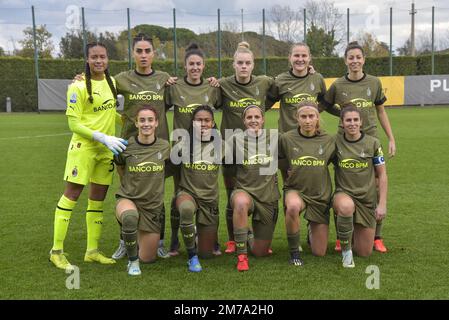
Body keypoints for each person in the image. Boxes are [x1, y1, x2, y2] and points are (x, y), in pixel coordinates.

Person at [49, 42, 127, 270]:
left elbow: (111, 113)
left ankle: (91, 251)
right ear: (87, 59)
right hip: (84, 148)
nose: (99, 61)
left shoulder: (112, 83)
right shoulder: (78, 86)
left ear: (108, 59)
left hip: (106, 151)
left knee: (97, 200)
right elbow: (73, 124)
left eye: (102, 56)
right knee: (71, 195)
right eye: (94, 57)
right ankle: (56, 251)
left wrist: (130, 121)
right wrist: (102, 137)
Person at [321, 41, 396, 253]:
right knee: (343, 183)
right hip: (344, 140)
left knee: (374, 186)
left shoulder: (374, 82)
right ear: (345, 61)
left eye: (358, 57)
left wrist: (390, 138)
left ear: (363, 60)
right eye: (350, 58)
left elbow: (381, 111)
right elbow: (325, 105)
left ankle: (377, 236)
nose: (354, 61)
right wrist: (344, 117)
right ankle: (341, 236)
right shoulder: (338, 85)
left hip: (369, 138)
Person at [217, 41, 276, 254]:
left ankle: (259, 231)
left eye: (247, 63)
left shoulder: (264, 82)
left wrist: (309, 71)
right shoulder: (222, 84)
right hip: (231, 148)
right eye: (240, 63)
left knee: (261, 188)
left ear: (253, 65)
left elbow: (283, 87)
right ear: (233, 65)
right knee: (233, 192)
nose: (243, 66)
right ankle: (234, 239)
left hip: (257, 146)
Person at [165, 43, 221, 256]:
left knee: (209, 190)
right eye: (191, 64)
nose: (195, 67)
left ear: (203, 66)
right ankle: (173, 241)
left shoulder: (212, 88)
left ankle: (211, 238)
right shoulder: (174, 86)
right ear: (185, 66)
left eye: (198, 64)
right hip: (182, 148)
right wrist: (165, 79)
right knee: (179, 193)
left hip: (208, 147)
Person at [114, 105, 170, 275]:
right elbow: (120, 168)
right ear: (136, 123)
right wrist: (129, 187)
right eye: (142, 120)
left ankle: (134, 237)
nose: (146, 124)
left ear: (156, 123)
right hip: (128, 198)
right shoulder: (125, 146)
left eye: (150, 120)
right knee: (130, 217)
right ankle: (132, 261)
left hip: (151, 206)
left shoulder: (165, 146)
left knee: (148, 258)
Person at [279, 101, 336, 265]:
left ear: (318, 118)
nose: (307, 120)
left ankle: (312, 228)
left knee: (319, 252)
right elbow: (276, 160)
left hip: (320, 196)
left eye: (311, 116)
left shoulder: (328, 140)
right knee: (293, 207)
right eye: (303, 116)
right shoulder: (287, 138)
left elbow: (341, 163)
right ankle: (294, 253)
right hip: (296, 190)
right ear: (297, 118)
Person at [333, 105, 388, 267]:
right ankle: (346, 252)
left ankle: (351, 234)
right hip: (343, 194)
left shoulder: (373, 143)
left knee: (364, 252)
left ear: (361, 122)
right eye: (348, 120)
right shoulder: (335, 141)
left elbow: (382, 174)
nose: (352, 123)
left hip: (366, 199)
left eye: (355, 120)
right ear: (342, 123)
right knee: (346, 206)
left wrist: (382, 204)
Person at [229, 105, 280, 271]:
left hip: (267, 197)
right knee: (241, 202)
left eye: (257, 117)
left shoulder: (275, 138)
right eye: (249, 117)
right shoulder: (235, 140)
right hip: (245, 192)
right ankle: (242, 256)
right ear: (244, 121)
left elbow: (293, 155)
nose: (253, 120)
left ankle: (248, 233)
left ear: (263, 119)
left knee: (260, 252)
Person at [173, 105, 223, 272]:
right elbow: (164, 168)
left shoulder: (221, 145)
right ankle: (191, 256)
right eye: (198, 120)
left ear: (213, 123)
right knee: (186, 209)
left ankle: (196, 235)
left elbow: (240, 168)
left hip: (209, 200)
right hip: (188, 194)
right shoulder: (182, 144)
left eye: (206, 120)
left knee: (207, 254)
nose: (202, 124)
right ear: (192, 122)